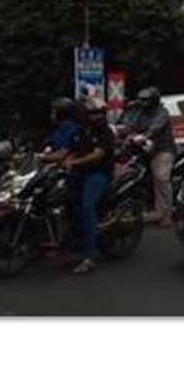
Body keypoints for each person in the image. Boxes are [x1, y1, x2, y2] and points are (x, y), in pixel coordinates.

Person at [63, 106, 115, 275]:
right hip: (79, 173)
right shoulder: (80, 132)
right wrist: (42, 158)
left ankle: (91, 255)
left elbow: (97, 155)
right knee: (66, 202)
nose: (96, 116)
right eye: (92, 113)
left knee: (87, 208)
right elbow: (67, 151)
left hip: (98, 174)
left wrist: (75, 162)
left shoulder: (104, 132)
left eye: (99, 113)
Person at [130, 87, 176, 228]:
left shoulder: (162, 112)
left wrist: (145, 136)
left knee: (161, 178)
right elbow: (132, 125)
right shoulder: (141, 113)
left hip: (162, 150)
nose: (143, 103)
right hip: (144, 150)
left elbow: (156, 127)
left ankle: (167, 215)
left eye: (146, 101)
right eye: (141, 100)